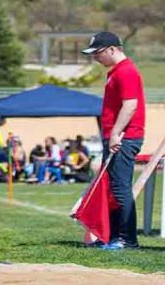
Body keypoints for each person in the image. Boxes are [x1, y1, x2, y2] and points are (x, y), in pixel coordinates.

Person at [82, 31, 145, 250]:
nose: (95, 58)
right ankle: (113, 236)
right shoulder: (114, 72)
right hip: (115, 137)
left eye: (97, 53)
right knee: (112, 188)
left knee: (120, 189)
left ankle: (127, 239)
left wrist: (116, 133)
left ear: (112, 49)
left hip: (124, 138)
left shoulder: (126, 72)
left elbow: (130, 105)